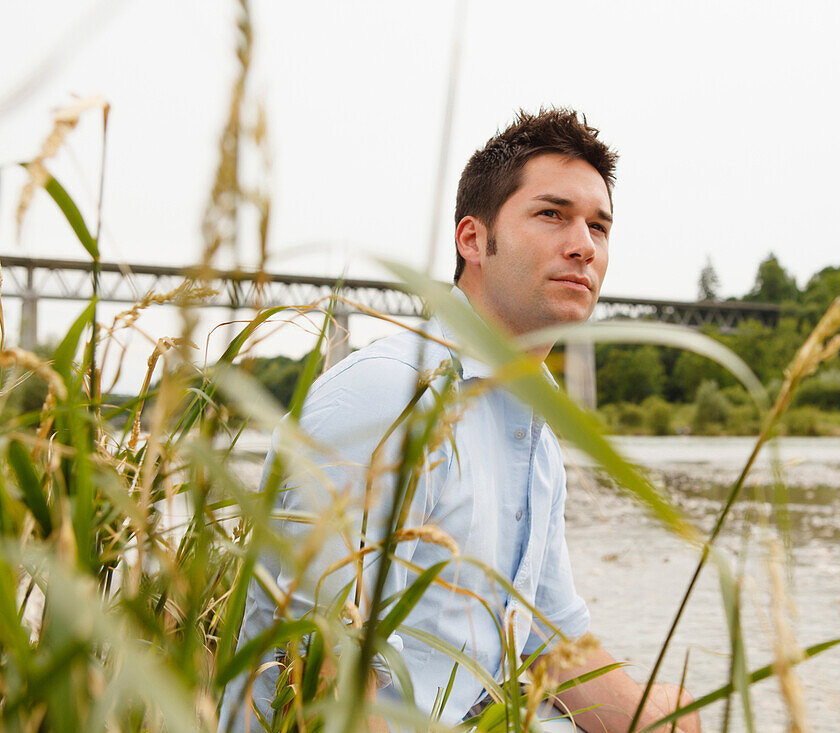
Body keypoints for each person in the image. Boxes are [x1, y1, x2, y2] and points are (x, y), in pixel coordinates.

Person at [221, 108, 700, 733]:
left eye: (599, 226)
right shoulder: (392, 392)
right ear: (472, 240)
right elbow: (317, 665)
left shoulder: (531, 421)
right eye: (552, 214)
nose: (584, 244)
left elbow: (555, 648)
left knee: (675, 713)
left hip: (471, 719)